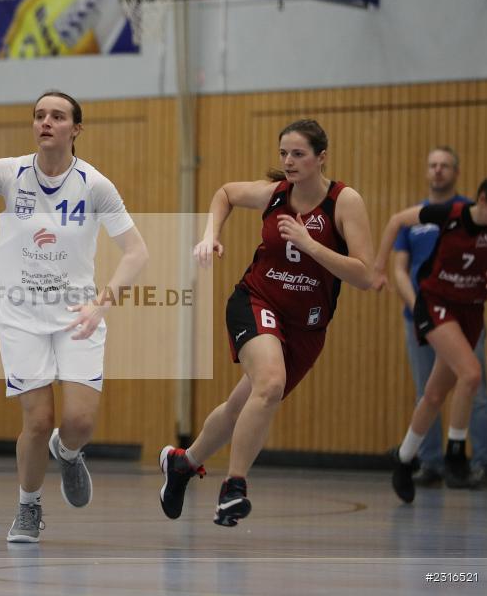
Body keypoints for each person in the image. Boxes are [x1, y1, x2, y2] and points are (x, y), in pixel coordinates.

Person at [0, 91, 148, 542]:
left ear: (76, 129)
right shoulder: (9, 173)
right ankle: (28, 507)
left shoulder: (94, 184)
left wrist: (102, 302)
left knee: (79, 421)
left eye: (58, 116)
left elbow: (137, 252)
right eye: (39, 115)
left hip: (76, 313)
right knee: (38, 419)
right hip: (20, 314)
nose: (46, 122)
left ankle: (68, 452)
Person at [159, 119, 374, 527]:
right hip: (256, 300)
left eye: (298, 154)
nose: (289, 162)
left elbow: (364, 274)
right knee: (271, 383)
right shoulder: (275, 195)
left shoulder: (344, 202)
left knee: (246, 403)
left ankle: (183, 464)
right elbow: (225, 193)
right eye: (283, 154)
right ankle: (233, 488)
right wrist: (210, 234)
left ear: (321, 157)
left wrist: (311, 245)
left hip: (307, 326)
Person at [373, 174, 487, 503]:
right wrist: (377, 266)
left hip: (471, 312)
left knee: (434, 394)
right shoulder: (450, 214)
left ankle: (403, 459)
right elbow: (397, 219)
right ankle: (456, 455)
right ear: (483, 200)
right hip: (436, 304)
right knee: (471, 374)